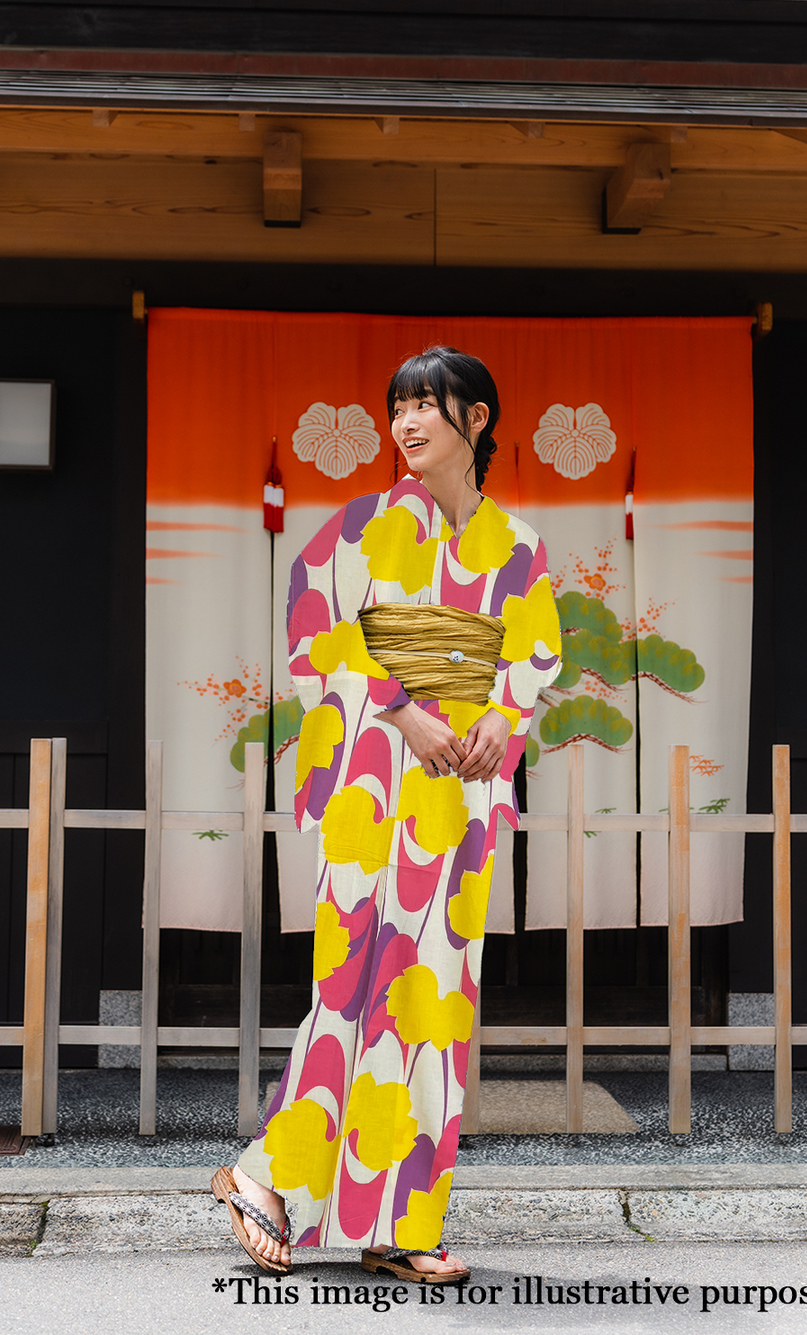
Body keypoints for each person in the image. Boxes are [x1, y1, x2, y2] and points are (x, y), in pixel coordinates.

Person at [212, 346, 561, 1282]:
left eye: (427, 407)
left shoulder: (520, 546)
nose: (407, 424)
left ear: (476, 420)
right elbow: (313, 630)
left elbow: (532, 655)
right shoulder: (358, 530)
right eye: (398, 408)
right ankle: (266, 1178)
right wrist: (403, 707)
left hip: (460, 797)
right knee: (354, 982)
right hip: (376, 786)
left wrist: (499, 717)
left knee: (432, 1002)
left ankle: (400, 1221)